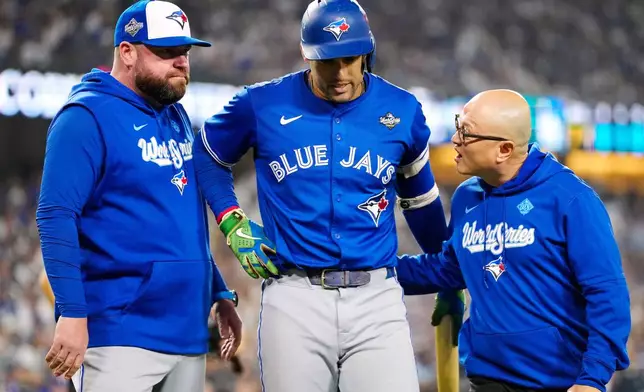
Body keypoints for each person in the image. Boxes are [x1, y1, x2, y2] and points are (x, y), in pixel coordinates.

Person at [193, 0, 462, 391]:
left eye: (350, 59)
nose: (339, 73)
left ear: (366, 51)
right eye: (327, 61)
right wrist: (231, 219)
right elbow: (207, 154)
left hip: (377, 299)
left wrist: (448, 277)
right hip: (294, 295)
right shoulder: (261, 103)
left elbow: (420, 201)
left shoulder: (402, 110)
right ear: (306, 55)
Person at [35, 1, 241, 391]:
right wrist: (74, 313)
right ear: (127, 52)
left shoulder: (175, 114)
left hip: (187, 332)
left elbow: (183, 219)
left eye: (185, 51)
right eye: (166, 52)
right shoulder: (84, 117)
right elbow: (55, 215)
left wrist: (216, 291)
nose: (181, 62)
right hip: (118, 333)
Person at [395, 89, 632, 392]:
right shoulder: (467, 197)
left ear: (504, 149)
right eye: (457, 126)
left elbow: (607, 292)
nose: (455, 140)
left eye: (466, 133)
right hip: (487, 378)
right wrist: (374, 267)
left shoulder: (571, 199)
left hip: (560, 383)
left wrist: (593, 378)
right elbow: (451, 268)